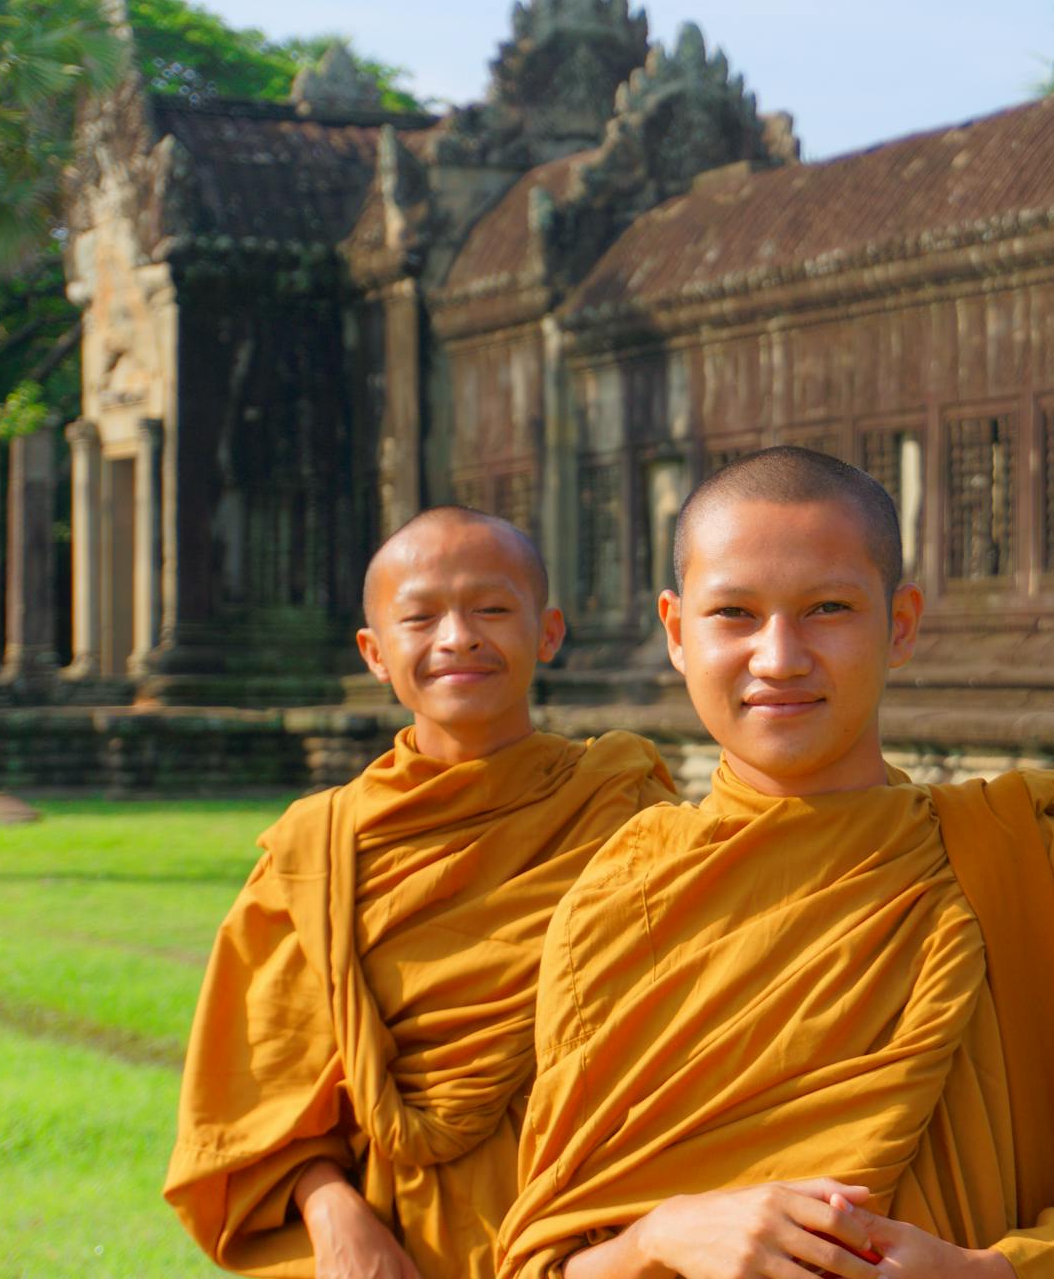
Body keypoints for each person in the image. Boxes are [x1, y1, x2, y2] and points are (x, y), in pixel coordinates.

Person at [495, 448, 1054, 1279]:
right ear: (676, 632)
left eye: (826, 608)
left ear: (901, 625)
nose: (779, 658)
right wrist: (659, 1239)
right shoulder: (614, 907)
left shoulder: (1037, 867)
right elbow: (550, 1259)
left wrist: (988, 1273)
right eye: (734, 614)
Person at [166, 506, 677, 1279]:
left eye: (492, 610)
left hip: (602, 1237)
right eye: (420, 617)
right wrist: (330, 1211)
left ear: (548, 633)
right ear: (374, 652)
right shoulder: (323, 851)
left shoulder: (626, 809)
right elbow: (256, 1092)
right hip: (388, 1247)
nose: (457, 638)